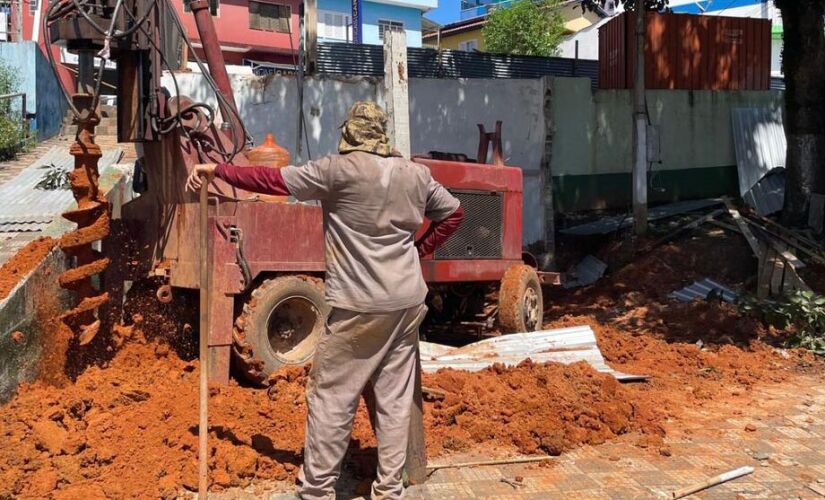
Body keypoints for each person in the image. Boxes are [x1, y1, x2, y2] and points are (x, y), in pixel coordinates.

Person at [186, 101, 464, 499]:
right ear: (382, 135)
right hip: (405, 302)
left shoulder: (337, 170)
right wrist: (418, 251)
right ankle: (389, 490)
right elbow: (454, 213)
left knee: (333, 396)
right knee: (395, 397)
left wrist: (219, 170)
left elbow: (273, 181)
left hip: (358, 304)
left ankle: (316, 490)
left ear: (348, 134)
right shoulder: (415, 174)